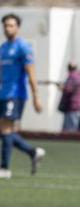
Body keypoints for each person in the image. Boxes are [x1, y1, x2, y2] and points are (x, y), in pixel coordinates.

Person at [0, 13, 45, 179]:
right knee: (4, 131)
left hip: (16, 94)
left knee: (6, 129)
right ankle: (33, 152)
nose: (8, 28)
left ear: (17, 28)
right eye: (5, 25)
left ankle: (4, 169)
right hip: (3, 94)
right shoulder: (3, 49)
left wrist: (36, 97)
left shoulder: (23, 47)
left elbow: (31, 73)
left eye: (11, 25)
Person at [59, 62, 80, 132]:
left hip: (72, 107)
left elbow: (68, 89)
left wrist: (61, 87)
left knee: (69, 131)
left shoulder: (72, 76)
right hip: (77, 108)